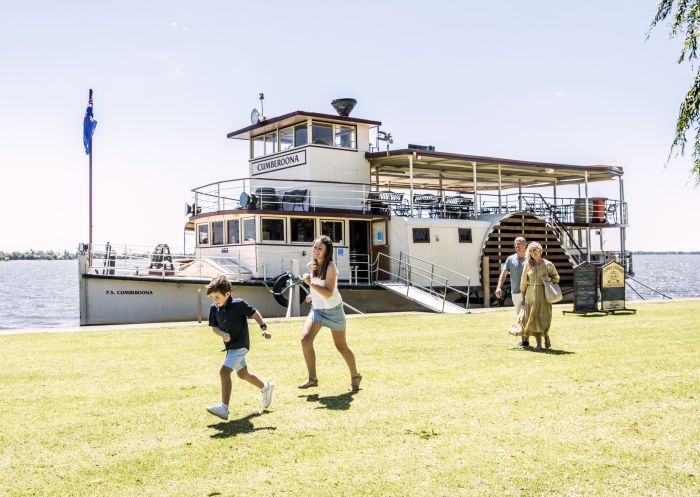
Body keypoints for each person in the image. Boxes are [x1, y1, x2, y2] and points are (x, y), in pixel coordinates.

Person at [298, 235, 362, 392]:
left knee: (341, 346)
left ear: (327, 252)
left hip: (334, 311)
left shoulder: (331, 267)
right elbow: (318, 289)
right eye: (314, 247)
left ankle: (355, 376)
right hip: (317, 310)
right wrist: (312, 295)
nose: (316, 250)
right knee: (305, 339)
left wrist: (308, 282)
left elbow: (328, 292)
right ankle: (312, 378)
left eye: (320, 248)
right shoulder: (313, 265)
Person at [205, 275, 273, 420]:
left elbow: (255, 313)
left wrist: (264, 328)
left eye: (217, 297)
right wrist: (222, 334)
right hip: (231, 347)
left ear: (227, 294)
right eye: (212, 297)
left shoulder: (239, 304)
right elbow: (214, 327)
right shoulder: (214, 308)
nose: (214, 300)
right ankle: (266, 387)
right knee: (243, 374)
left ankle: (224, 408)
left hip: (241, 345)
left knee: (224, 372)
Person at [519, 242, 560, 351]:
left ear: (540, 250)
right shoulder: (528, 265)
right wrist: (522, 296)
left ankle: (546, 336)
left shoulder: (548, 264)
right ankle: (538, 344)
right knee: (530, 318)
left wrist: (549, 279)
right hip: (530, 294)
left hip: (544, 294)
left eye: (534, 250)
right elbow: (523, 282)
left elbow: (557, 278)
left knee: (543, 317)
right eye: (530, 250)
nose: (532, 252)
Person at [496, 236, 528, 346]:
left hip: (529, 292)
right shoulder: (510, 259)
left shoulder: (530, 258)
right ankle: (525, 339)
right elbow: (504, 274)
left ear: (525, 245)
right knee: (520, 315)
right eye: (515, 244)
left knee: (526, 315)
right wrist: (499, 287)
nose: (517, 246)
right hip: (515, 292)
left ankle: (526, 340)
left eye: (519, 244)